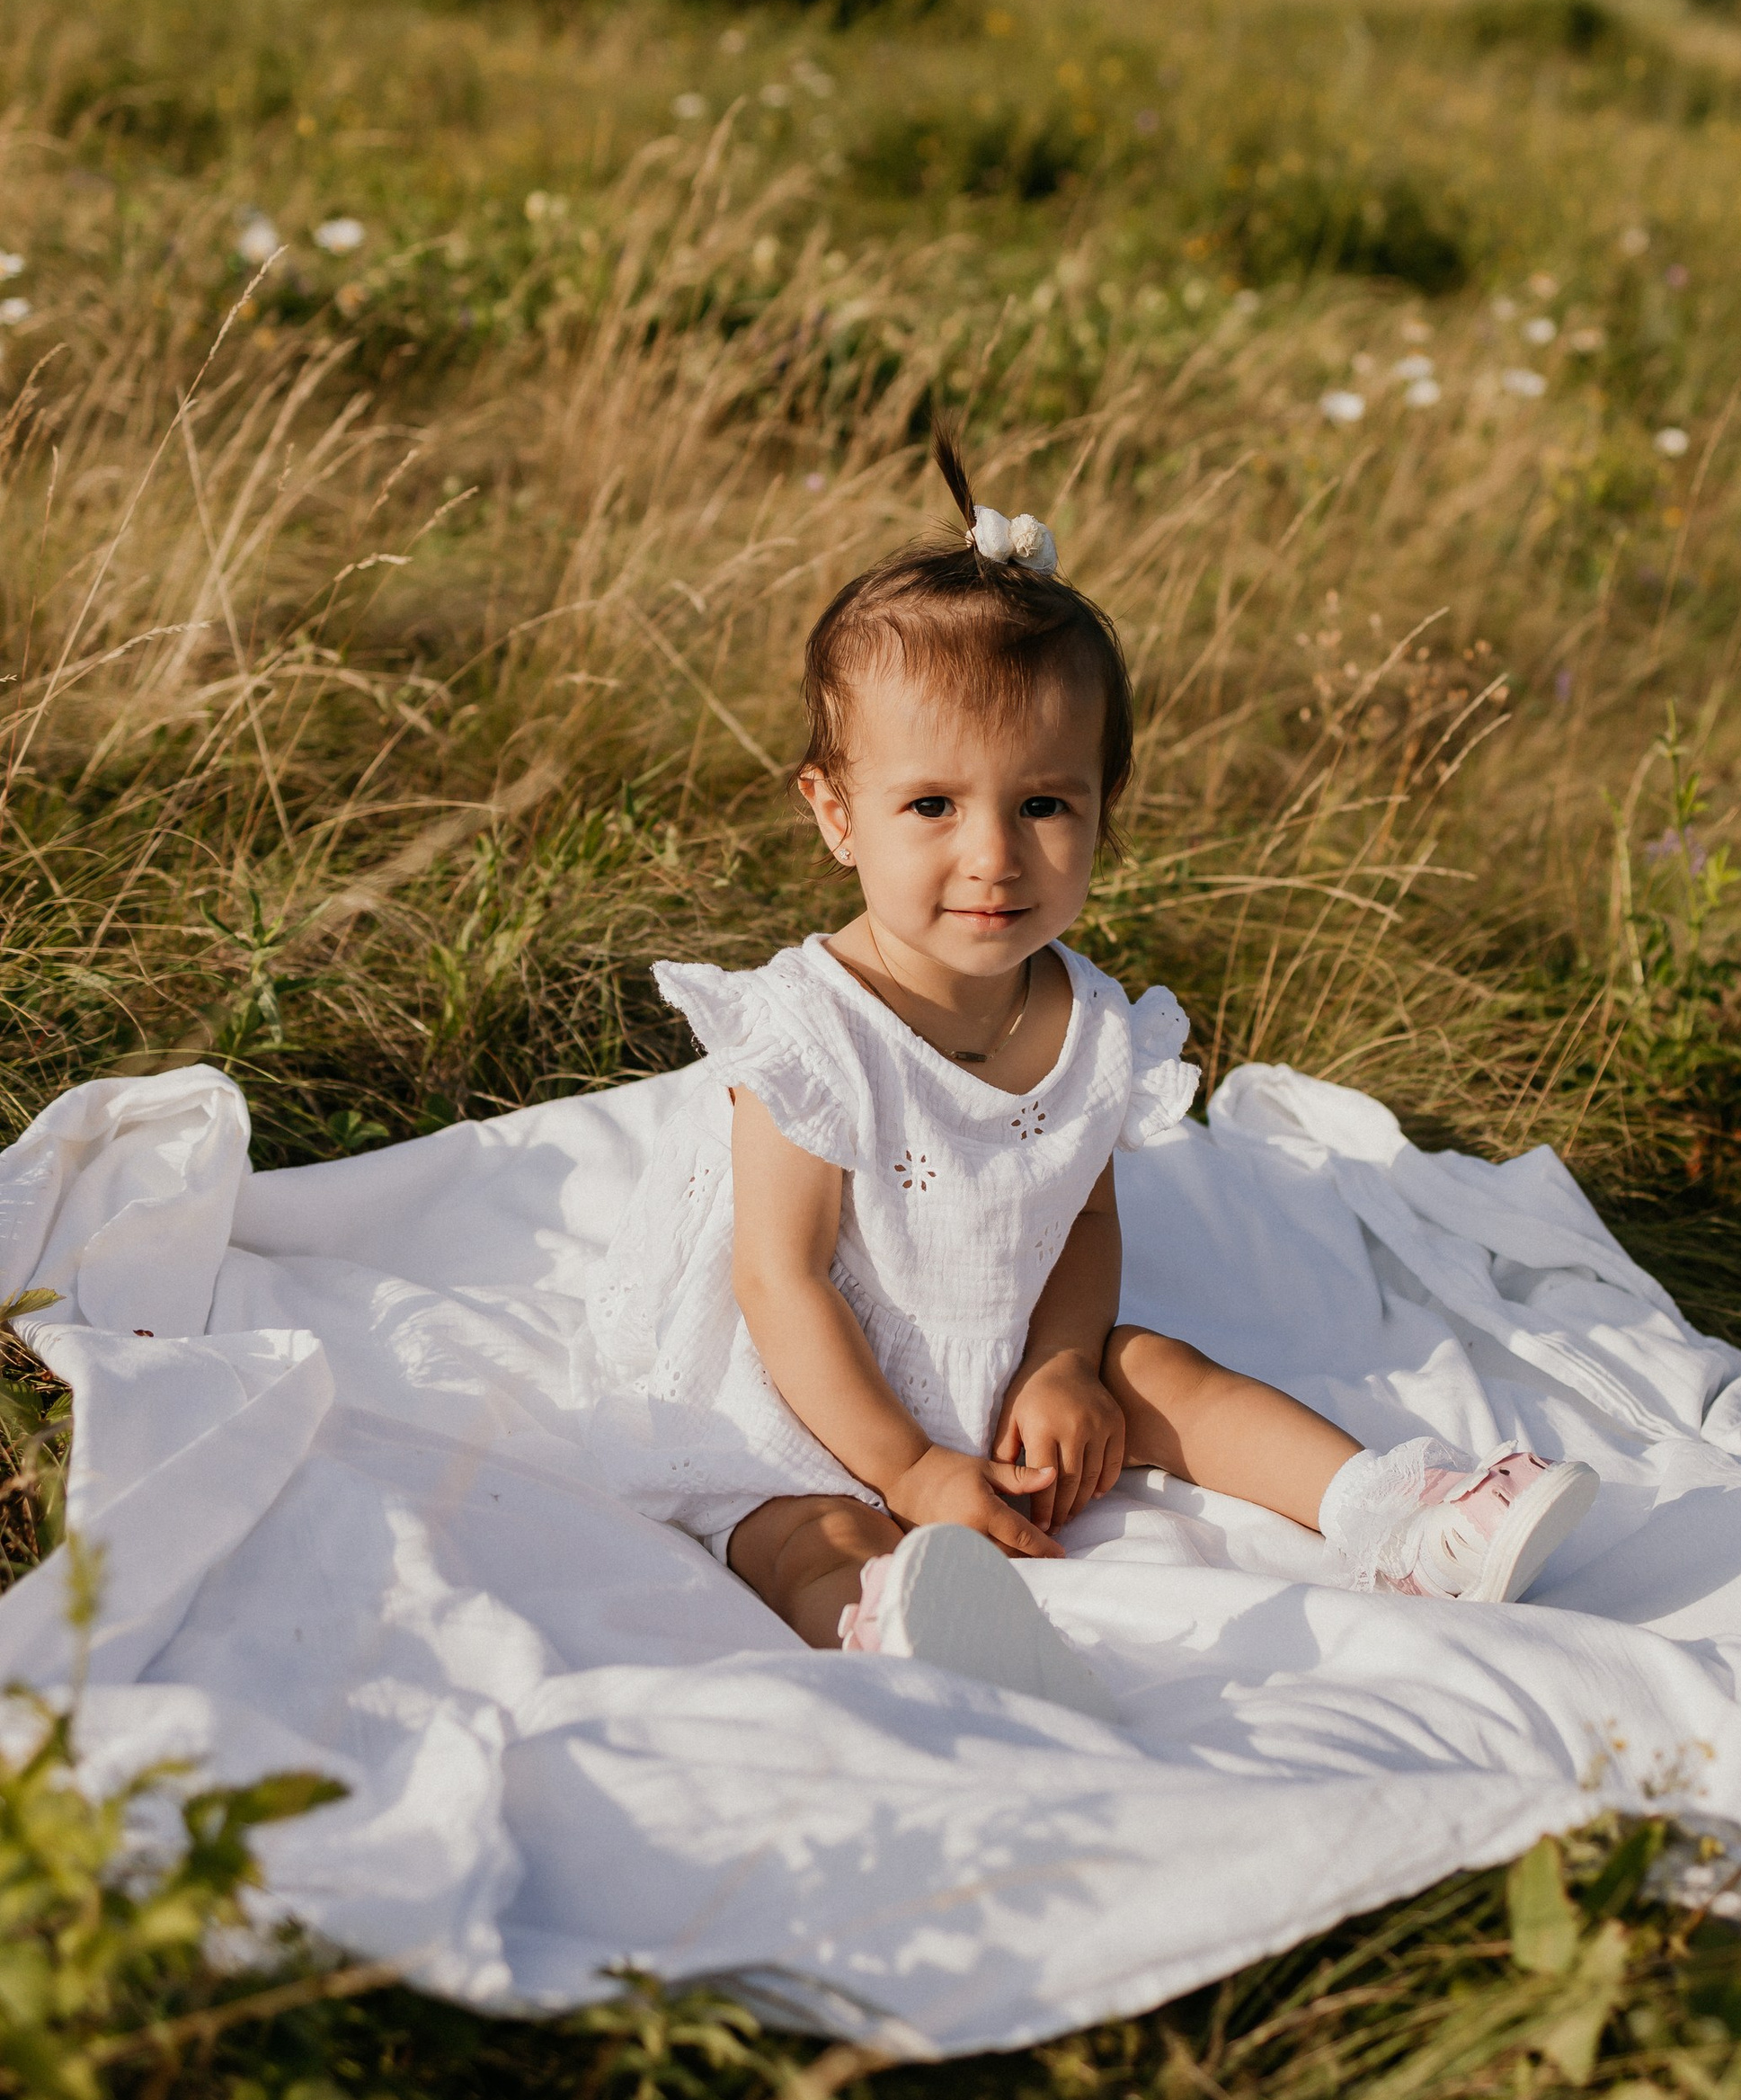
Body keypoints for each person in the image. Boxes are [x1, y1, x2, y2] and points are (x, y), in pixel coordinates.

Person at [619, 433, 1598, 1714]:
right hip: (813, 1383)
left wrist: (1060, 1363)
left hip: (991, 1352)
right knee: (802, 1524)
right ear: (836, 812)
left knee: (1159, 1371)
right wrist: (908, 1471)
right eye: (932, 806)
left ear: (1102, 804)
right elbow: (780, 1279)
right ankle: (888, 1627)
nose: (993, 856)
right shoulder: (812, 1031)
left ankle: (1397, 1516)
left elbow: (1081, 1219)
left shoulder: (1088, 1023)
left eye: (1042, 805)